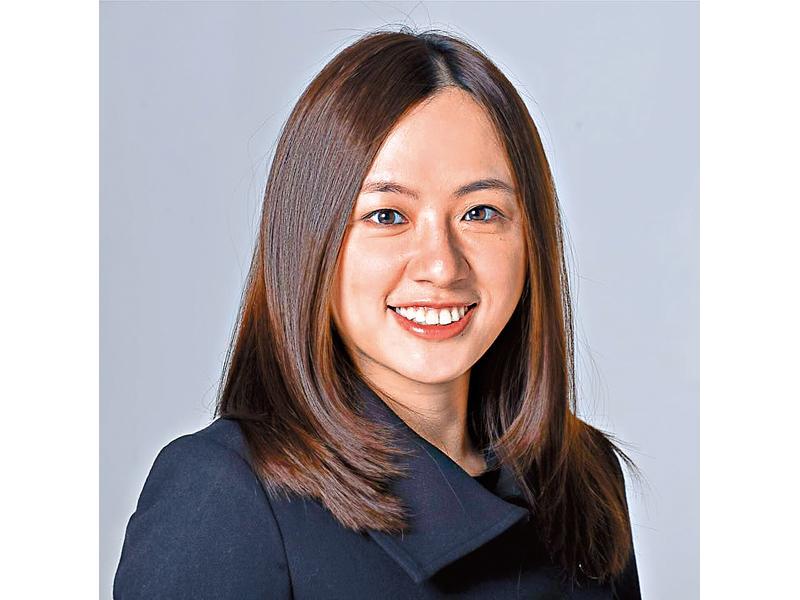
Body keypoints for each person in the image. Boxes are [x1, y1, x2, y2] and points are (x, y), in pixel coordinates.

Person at [113, 28, 642, 599]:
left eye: (480, 212)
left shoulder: (581, 476)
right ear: (310, 243)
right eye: (387, 216)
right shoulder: (224, 494)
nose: (441, 266)